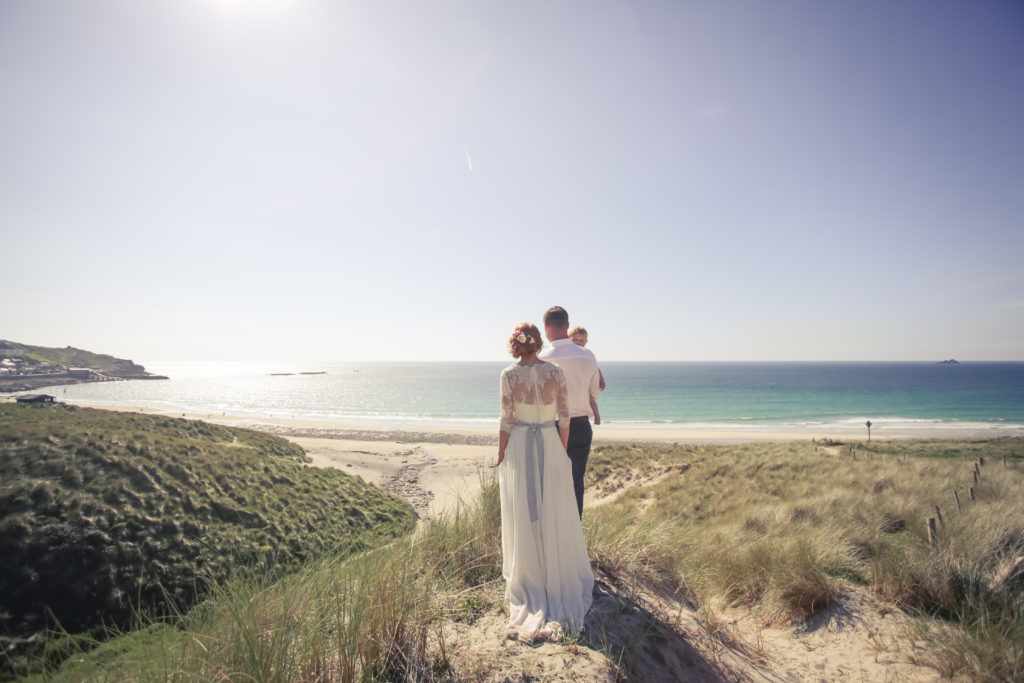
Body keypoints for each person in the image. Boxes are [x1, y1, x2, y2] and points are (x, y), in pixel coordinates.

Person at [495, 322, 594, 642]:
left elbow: (506, 419)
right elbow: (564, 418)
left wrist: (501, 452)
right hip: (550, 442)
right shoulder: (555, 373)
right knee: (554, 504)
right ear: (538, 343)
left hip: (522, 443)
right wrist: (561, 452)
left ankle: (530, 575)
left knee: (524, 507)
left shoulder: (508, 375)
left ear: (516, 346)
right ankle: (555, 572)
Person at [540, 307, 602, 517]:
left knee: (551, 484)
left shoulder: (542, 358)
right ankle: (574, 538)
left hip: (552, 426)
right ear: (567, 326)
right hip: (582, 426)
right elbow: (595, 391)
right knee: (576, 483)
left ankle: (554, 536)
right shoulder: (588, 355)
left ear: (546, 328)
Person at [567, 326, 606, 425]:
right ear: (568, 340)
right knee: (588, 398)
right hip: (576, 384)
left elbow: (595, 368)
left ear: (586, 342)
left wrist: (601, 378)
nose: (578, 343)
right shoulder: (567, 353)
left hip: (585, 384)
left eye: (581, 340)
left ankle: (597, 416)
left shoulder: (587, 354)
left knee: (591, 399)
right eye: (574, 340)